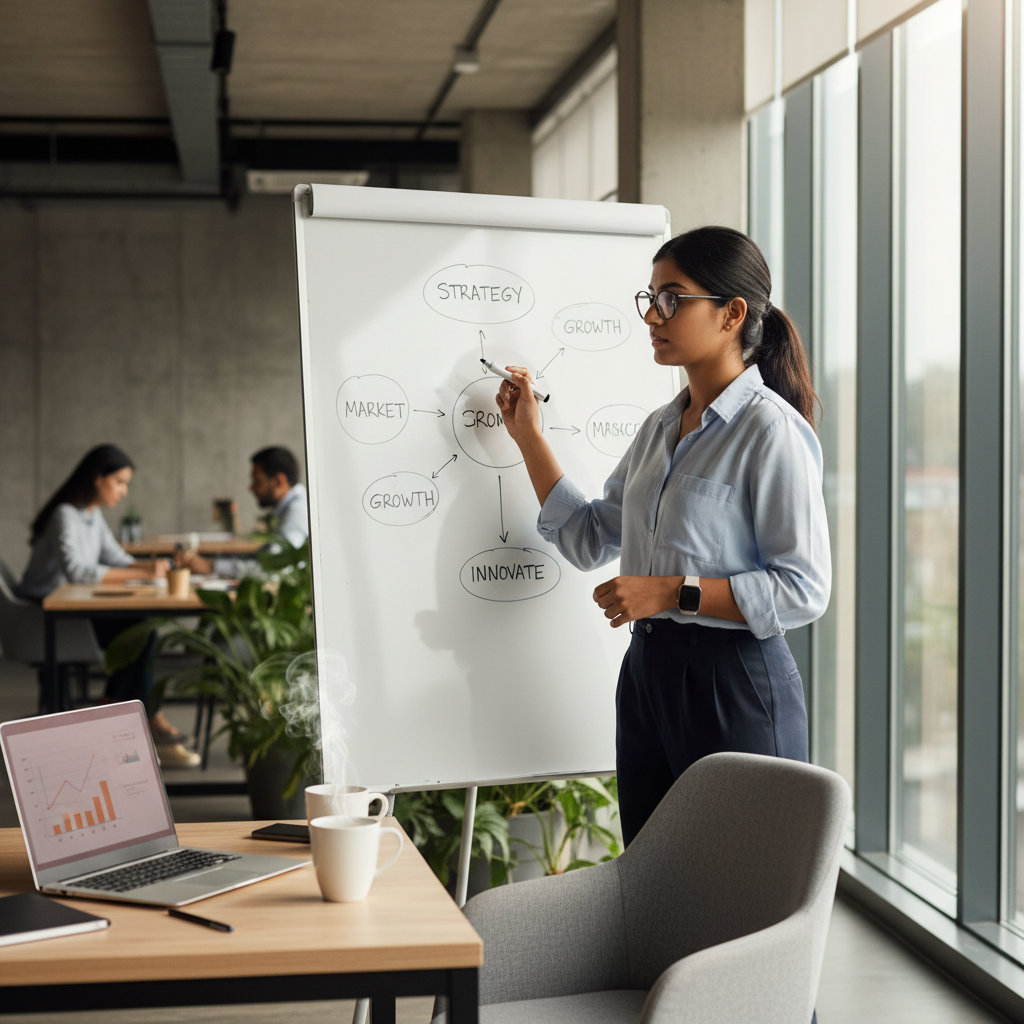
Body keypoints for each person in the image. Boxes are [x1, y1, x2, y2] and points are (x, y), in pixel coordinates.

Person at [495, 226, 831, 847]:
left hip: (733, 682)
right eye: (649, 297)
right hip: (649, 676)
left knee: (739, 893)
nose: (652, 315)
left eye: (672, 298)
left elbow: (803, 589)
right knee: (650, 882)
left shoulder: (770, 432)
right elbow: (591, 535)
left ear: (732, 314)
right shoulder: (659, 428)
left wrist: (675, 592)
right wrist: (527, 437)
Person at [18, 444, 200, 768]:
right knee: (142, 633)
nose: (123, 491)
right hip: (46, 619)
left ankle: (112, 710)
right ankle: (137, 718)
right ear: (97, 479)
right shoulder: (66, 514)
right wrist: (142, 571)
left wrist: (146, 566)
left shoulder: (91, 515)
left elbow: (114, 557)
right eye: (119, 482)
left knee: (143, 631)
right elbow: (77, 571)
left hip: (73, 613)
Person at [187, 446, 308, 578]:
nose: (251, 488)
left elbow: (272, 567)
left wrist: (211, 566)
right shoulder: (290, 508)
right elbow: (265, 558)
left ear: (279, 481)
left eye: (257, 481)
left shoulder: (297, 513)